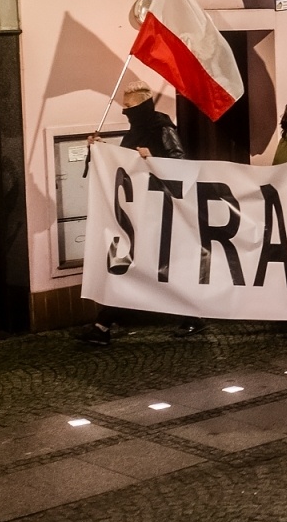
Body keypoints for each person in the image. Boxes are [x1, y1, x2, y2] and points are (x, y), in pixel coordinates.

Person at [82, 81, 199, 344]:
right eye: (124, 108)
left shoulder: (163, 128)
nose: (126, 112)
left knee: (154, 264)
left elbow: (179, 163)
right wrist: (98, 149)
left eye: (130, 107)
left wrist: (154, 158)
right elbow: (121, 164)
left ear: (143, 106)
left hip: (158, 210)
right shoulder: (135, 131)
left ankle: (192, 316)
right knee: (128, 261)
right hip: (137, 211)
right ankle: (103, 323)